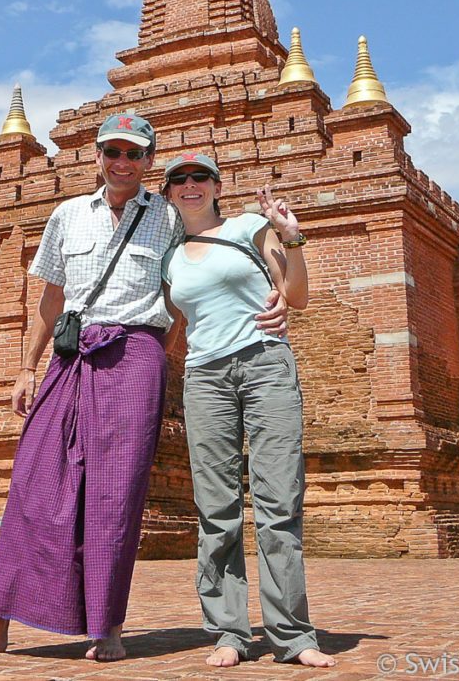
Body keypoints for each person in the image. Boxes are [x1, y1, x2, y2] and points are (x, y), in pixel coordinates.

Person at [0, 116, 288, 663]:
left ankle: (108, 627)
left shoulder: (170, 216)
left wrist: (278, 290)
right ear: (97, 156)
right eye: (113, 151)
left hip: (135, 355)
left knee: (115, 496)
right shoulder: (67, 215)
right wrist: (26, 368)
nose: (123, 162)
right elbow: (51, 300)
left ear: (149, 161)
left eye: (134, 153)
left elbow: (208, 269)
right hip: (71, 355)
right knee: (32, 485)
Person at [160, 152, 336, 668]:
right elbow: (169, 324)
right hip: (205, 377)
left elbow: (295, 297)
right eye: (179, 180)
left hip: (264, 365)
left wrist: (293, 238)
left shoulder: (249, 226)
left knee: (279, 501)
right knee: (217, 509)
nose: (190, 186)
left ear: (217, 186)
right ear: (170, 193)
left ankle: (293, 635)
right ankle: (228, 632)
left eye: (200, 178)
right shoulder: (168, 254)